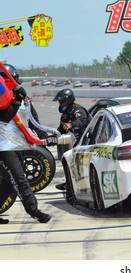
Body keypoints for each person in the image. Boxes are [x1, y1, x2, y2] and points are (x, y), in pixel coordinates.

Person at [0, 64, 51, 223]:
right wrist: (16, 100)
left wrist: (45, 137)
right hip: (2, 146)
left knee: (10, 183)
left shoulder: (22, 98)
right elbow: (4, 117)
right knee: (18, 178)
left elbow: (32, 121)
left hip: (17, 145)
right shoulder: (9, 98)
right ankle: (34, 211)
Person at [52, 88, 91, 190]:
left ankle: (76, 185)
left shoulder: (78, 110)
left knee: (76, 162)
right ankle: (70, 183)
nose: (60, 104)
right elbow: (61, 130)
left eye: (62, 102)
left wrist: (71, 124)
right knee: (69, 161)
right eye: (60, 102)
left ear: (68, 100)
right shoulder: (65, 115)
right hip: (79, 141)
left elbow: (80, 121)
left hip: (89, 140)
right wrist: (51, 139)